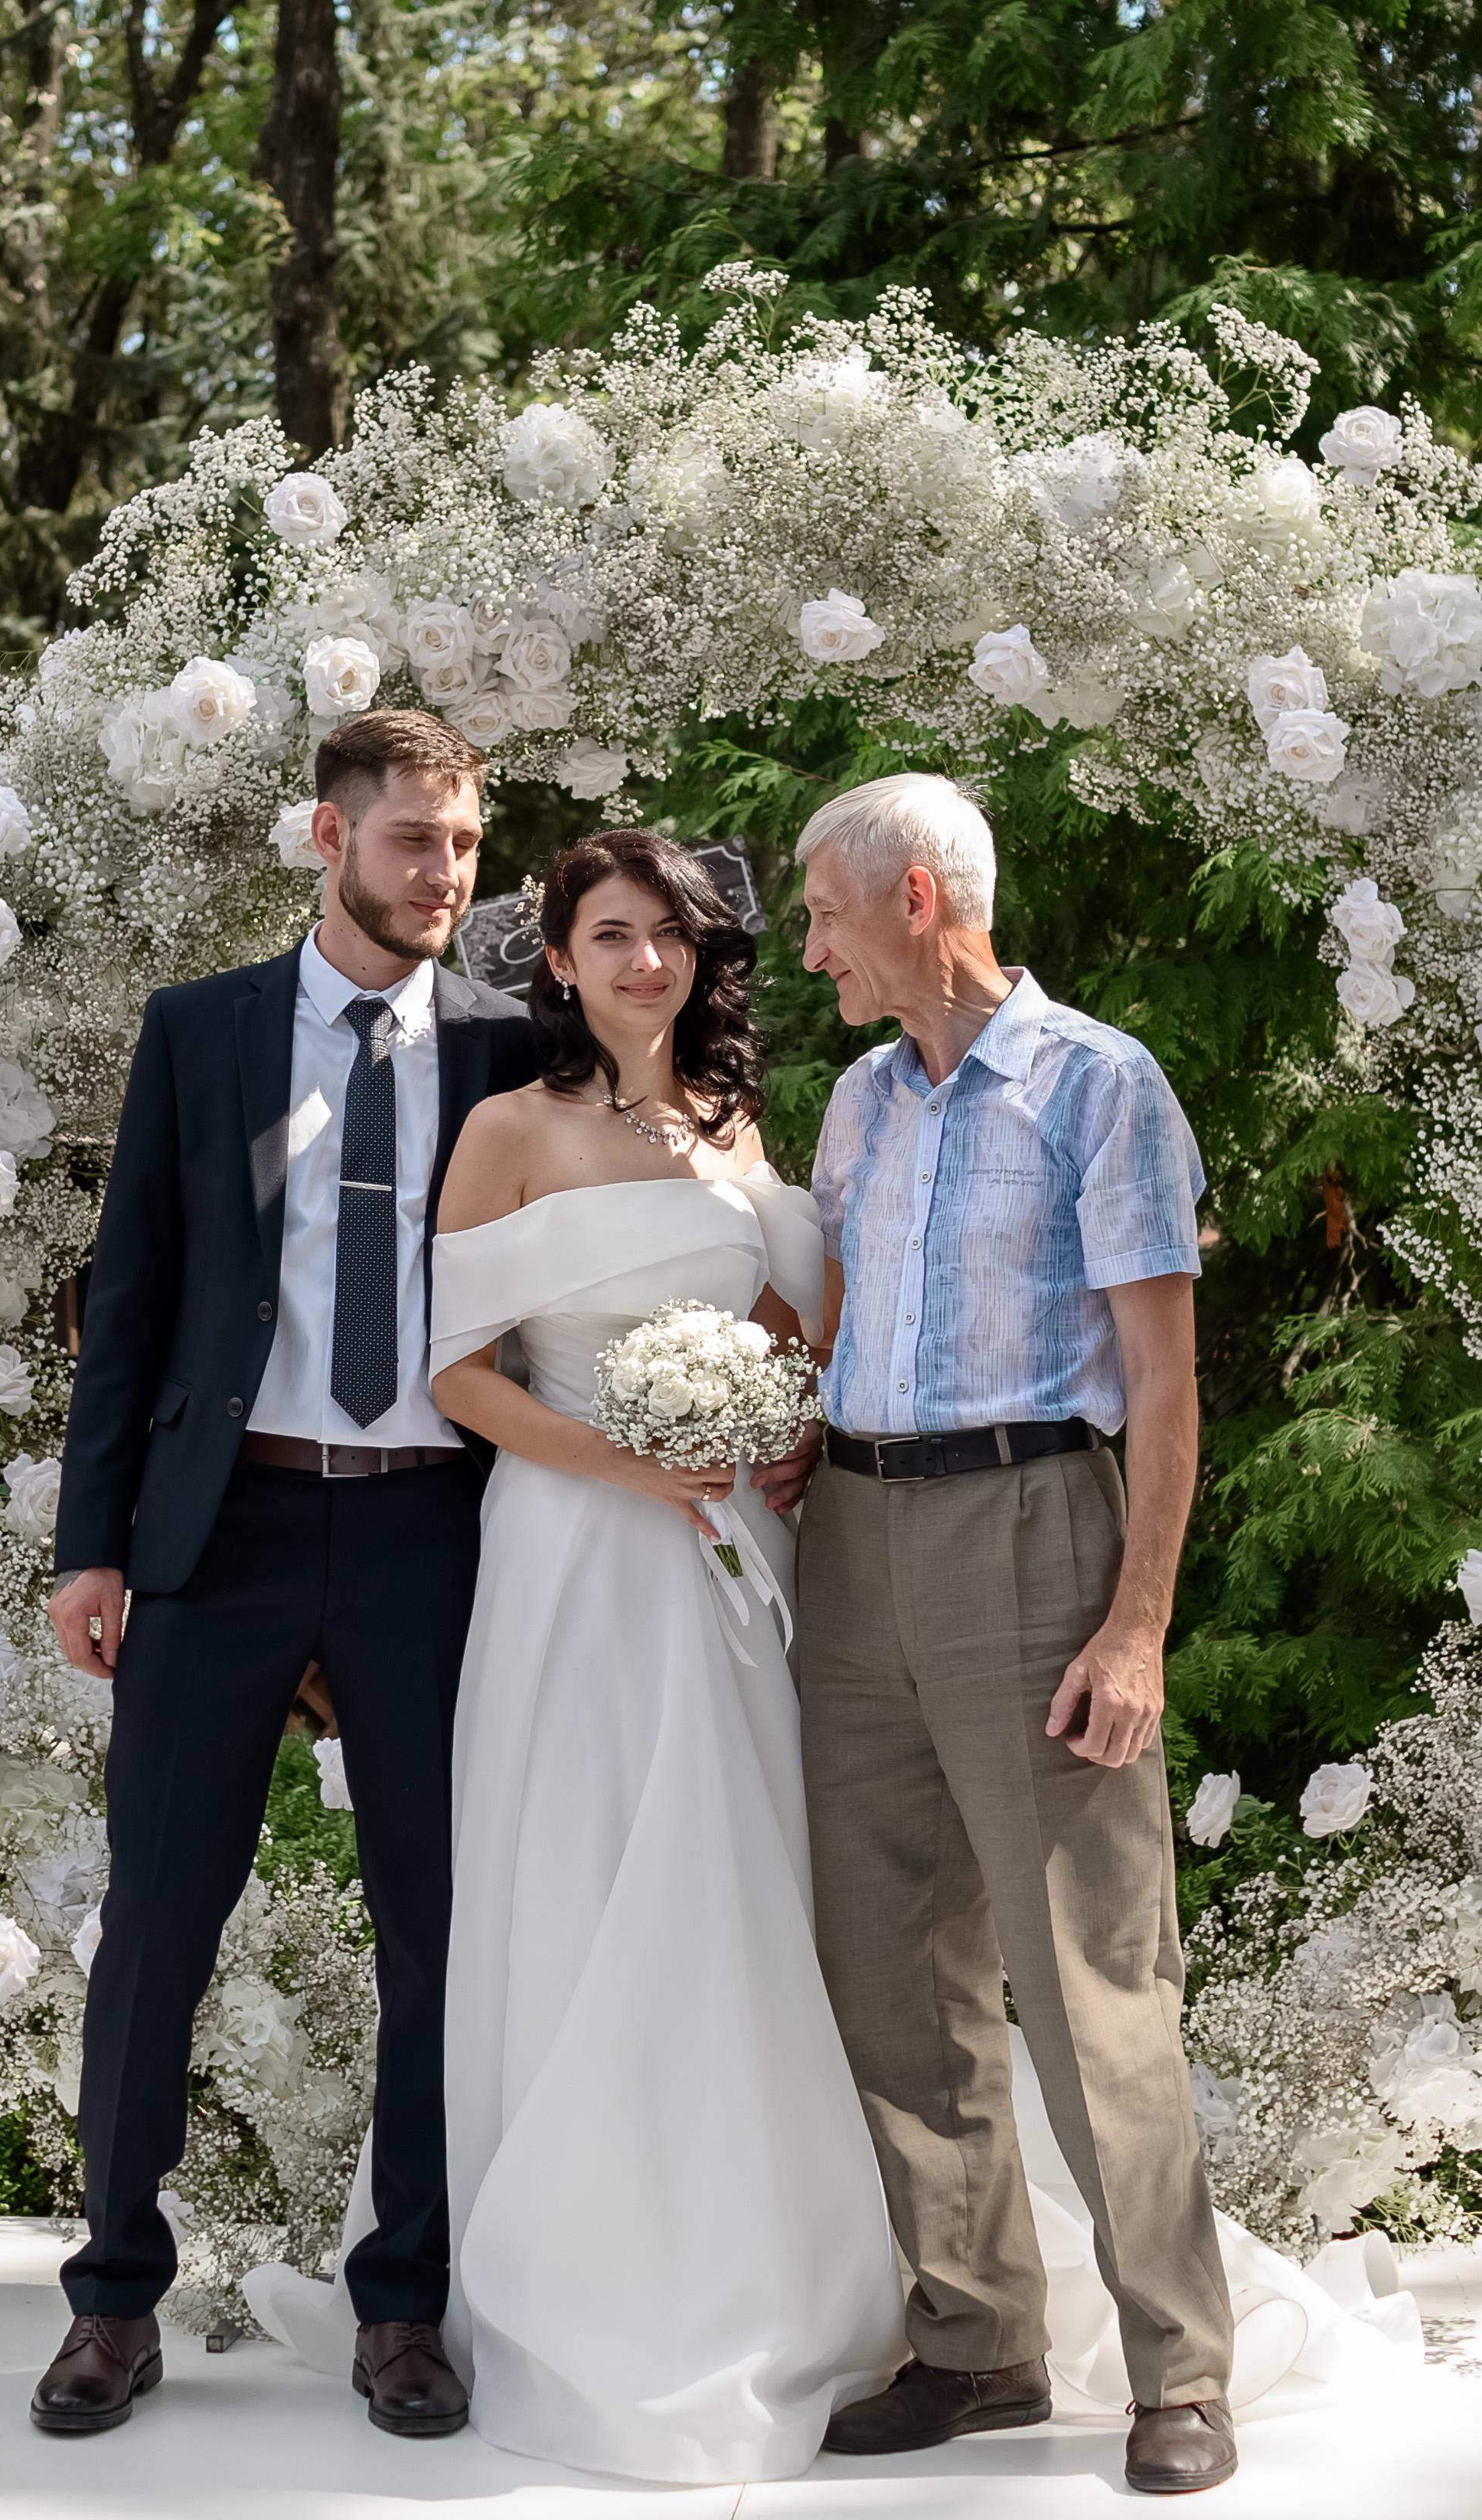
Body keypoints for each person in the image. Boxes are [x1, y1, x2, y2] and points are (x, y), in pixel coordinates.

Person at [34, 708, 537, 2442]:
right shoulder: (206, 1033)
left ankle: (404, 2308)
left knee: (440, 1934)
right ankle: (112, 2299)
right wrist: (91, 1543)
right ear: (326, 839)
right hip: (219, 1530)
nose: (447, 878)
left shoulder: (506, 1044)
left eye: (466, 847)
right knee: (160, 1927)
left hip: (434, 1533)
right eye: (417, 843)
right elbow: (136, 1298)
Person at [416, 831, 904, 2482]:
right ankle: (596, 2267)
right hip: (576, 1551)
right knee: (594, 1867)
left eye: (671, 940)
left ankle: (767, 2247)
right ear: (554, 959)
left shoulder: (742, 1130)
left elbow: (792, 1323)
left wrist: (773, 1424)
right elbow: (459, 1375)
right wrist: (633, 1464)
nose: (644, 966)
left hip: (734, 1551)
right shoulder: (508, 1129)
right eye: (611, 939)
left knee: (743, 1867)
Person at [787, 771, 1239, 2499]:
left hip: (1033, 1527)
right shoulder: (856, 1102)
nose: (808, 946)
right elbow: (822, 1320)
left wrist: (1137, 1625)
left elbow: (1166, 1380)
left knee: (1090, 1983)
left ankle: (1180, 2373)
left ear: (913, 898)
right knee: (890, 1968)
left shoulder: (1096, 1083)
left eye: (826, 912)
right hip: (854, 1539)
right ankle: (977, 2343)